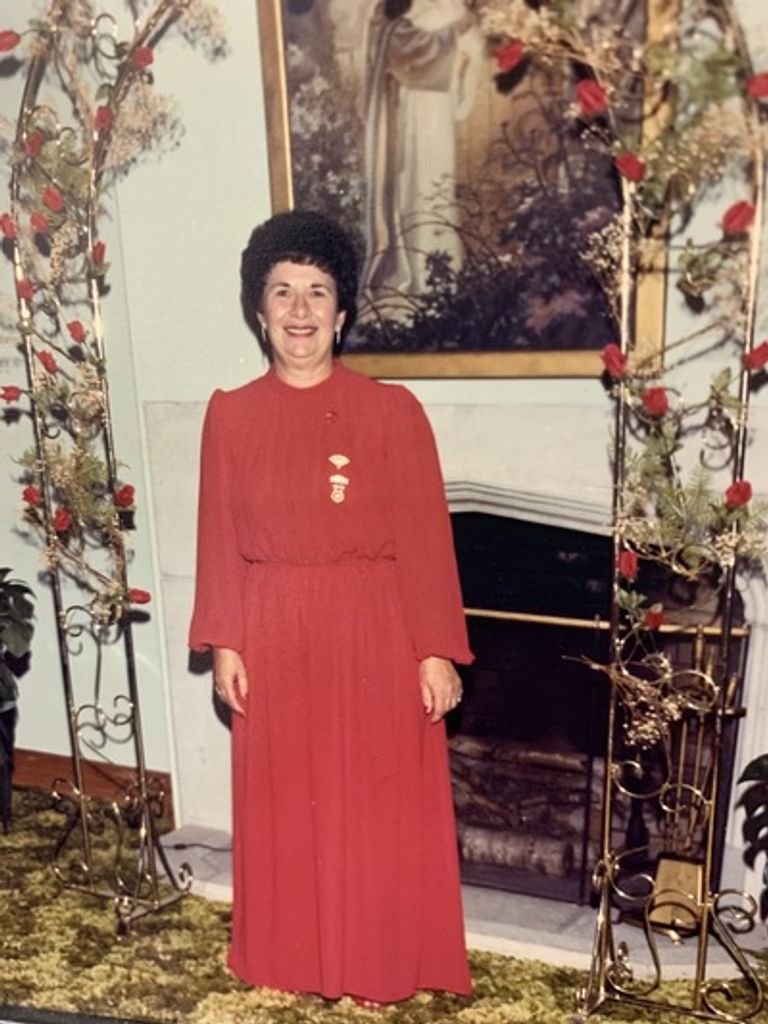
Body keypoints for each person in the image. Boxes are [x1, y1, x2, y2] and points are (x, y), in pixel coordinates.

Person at [189, 209, 473, 1005]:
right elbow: (217, 536)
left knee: (373, 804)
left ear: (343, 311)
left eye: (317, 291)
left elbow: (426, 542)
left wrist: (434, 651)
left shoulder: (393, 413)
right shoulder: (229, 413)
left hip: (373, 632)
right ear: (258, 310)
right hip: (273, 632)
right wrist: (225, 642)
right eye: (282, 291)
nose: (300, 310)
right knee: (289, 804)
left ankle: (376, 960)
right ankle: (294, 959)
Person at [360, 0, 482, 318]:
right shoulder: (389, 8)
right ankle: (411, 274)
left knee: (432, 187)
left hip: (433, 112)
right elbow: (398, 46)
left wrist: (462, 38)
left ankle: (438, 275)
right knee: (406, 191)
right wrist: (455, 33)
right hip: (401, 111)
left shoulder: (449, 6)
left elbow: (467, 50)